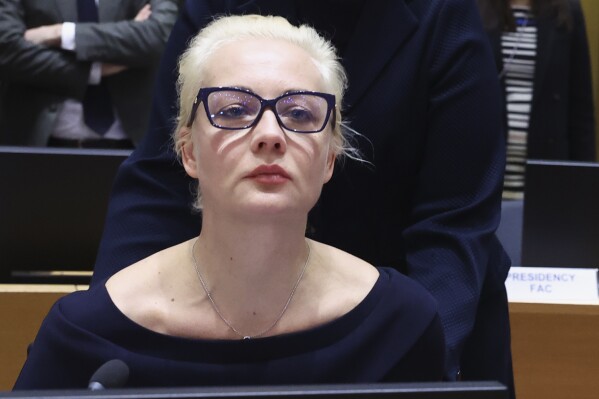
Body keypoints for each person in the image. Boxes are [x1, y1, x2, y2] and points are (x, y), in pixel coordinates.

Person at [92, 0, 515, 396]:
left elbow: (453, 216)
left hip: (411, 306)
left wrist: (419, 354)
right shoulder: (215, 3)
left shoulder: (442, 13)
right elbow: (159, 179)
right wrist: (110, 328)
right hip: (237, 308)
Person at [13, 15, 445, 388]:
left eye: (300, 114)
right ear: (188, 152)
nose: (271, 134)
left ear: (329, 158)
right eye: (235, 110)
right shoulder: (89, 333)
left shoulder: (399, 322)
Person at [0, 0, 179, 148]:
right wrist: (95, 69)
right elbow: (8, 49)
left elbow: (160, 35)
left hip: (132, 145)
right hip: (40, 144)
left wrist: (62, 33)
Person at [477, 0, 596, 199]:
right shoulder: (474, 8)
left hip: (548, 170)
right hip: (486, 171)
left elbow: (581, 112)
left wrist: (586, 187)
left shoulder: (567, 11)